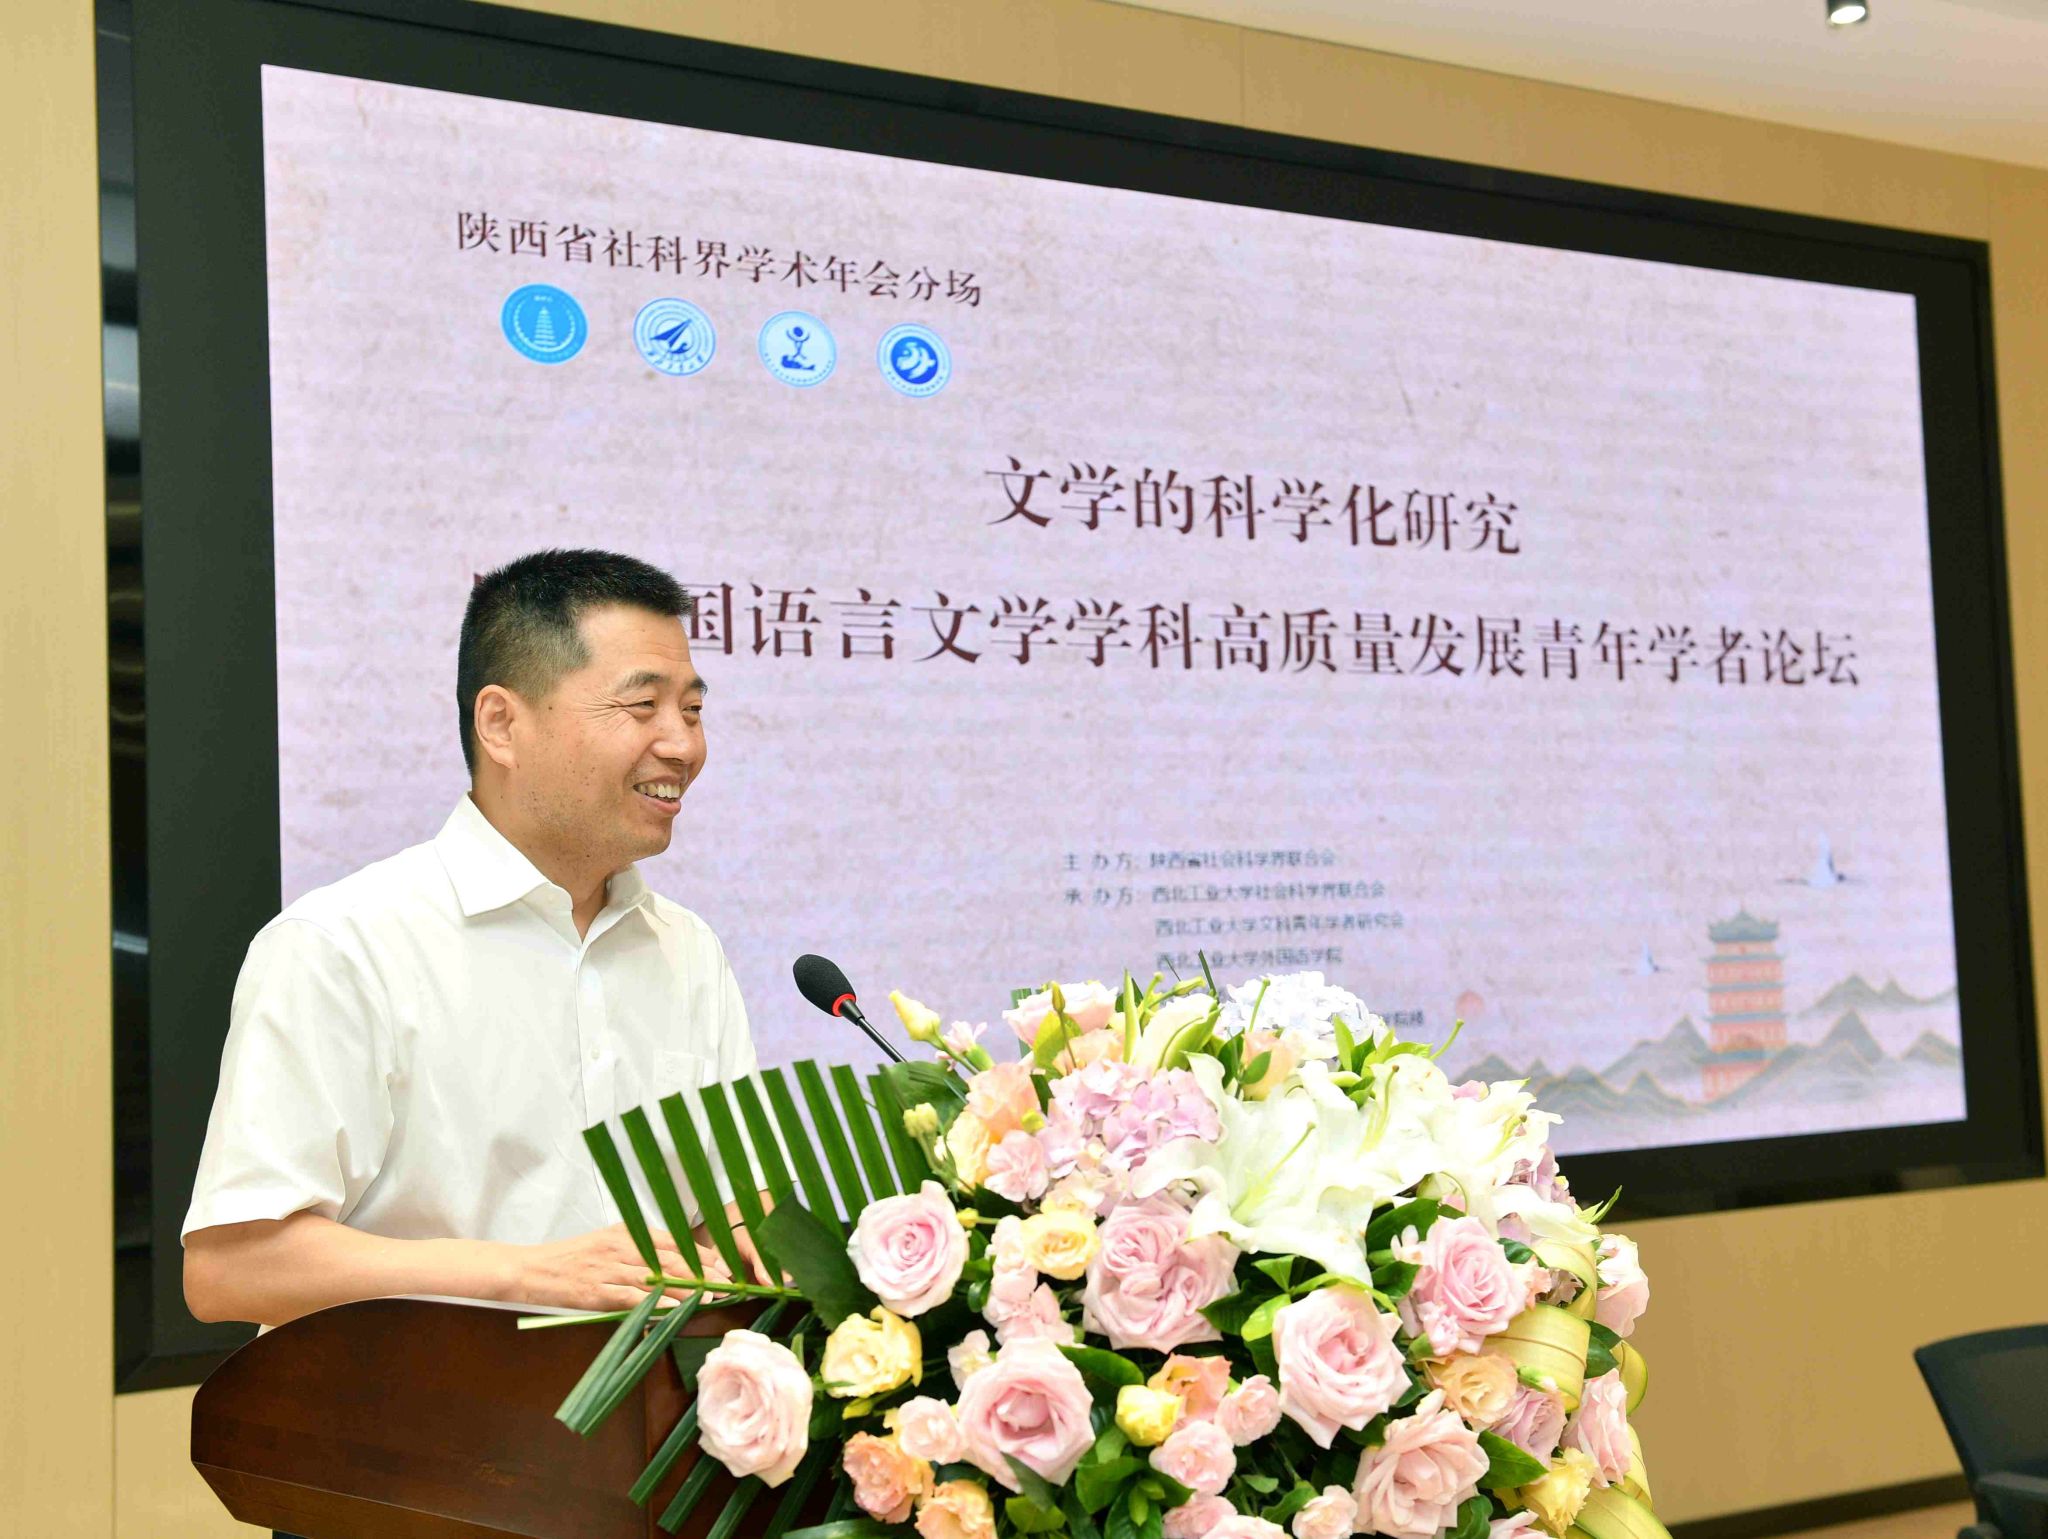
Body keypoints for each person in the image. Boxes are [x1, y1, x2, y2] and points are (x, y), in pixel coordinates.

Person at [183, 548, 766, 1335]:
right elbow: (231, 1268)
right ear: (501, 723)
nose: (683, 746)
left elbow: (731, 1205)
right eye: (643, 706)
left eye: (691, 711)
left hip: (654, 1411)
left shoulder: (688, 949)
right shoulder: (343, 945)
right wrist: (523, 1275)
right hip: (417, 1410)